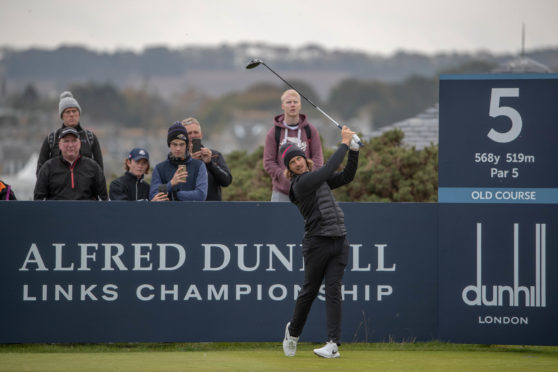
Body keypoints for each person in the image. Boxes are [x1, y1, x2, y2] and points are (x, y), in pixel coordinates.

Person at [281, 126, 360, 359]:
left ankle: (333, 344)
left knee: (334, 291)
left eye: (299, 159)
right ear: (289, 169)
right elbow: (327, 169)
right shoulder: (300, 185)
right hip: (317, 243)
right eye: (292, 162)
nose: (297, 163)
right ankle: (293, 333)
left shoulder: (319, 180)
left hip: (339, 240)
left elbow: (346, 176)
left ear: (305, 160)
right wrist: (344, 142)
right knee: (310, 291)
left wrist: (353, 150)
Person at [263, 89, 324, 202]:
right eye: (288, 102)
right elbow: (268, 162)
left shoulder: (311, 130)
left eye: (295, 102)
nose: (292, 105)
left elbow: (318, 159)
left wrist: (308, 178)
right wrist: (284, 176)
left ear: (300, 105)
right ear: (282, 106)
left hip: (307, 190)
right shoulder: (273, 132)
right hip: (281, 192)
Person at [36, 91, 103, 175]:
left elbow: (100, 170)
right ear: (62, 116)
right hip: (58, 187)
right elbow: (40, 171)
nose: (71, 114)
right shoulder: (51, 139)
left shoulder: (90, 138)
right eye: (67, 112)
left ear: (79, 114)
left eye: (74, 111)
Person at [34, 127, 107, 200]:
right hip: (56, 211)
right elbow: (38, 199)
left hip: (87, 211)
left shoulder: (93, 167)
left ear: (79, 144)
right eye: (66, 141)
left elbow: (103, 198)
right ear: (60, 145)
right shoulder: (48, 167)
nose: (70, 145)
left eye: (74, 141)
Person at [149, 122, 208, 201]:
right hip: (167, 213)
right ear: (169, 144)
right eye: (174, 144)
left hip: (192, 212)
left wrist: (174, 194)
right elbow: (154, 195)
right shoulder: (160, 168)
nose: (178, 148)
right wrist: (172, 183)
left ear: (187, 145)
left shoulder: (199, 165)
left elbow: (201, 195)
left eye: (181, 144)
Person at [182, 117, 232, 201]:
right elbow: (177, 185)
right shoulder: (178, 158)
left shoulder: (215, 155)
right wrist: (190, 162)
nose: (193, 135)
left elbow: (227, 180)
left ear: (201, 135)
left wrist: (210, 163)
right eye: (189, 133)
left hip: (212, 209)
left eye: (196, 132)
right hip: (187, 208)